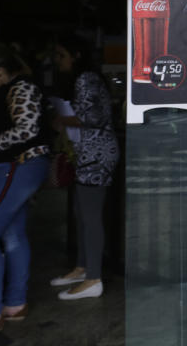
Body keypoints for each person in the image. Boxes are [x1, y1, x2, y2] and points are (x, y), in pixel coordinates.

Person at [0, 43, 51, 334]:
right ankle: (14, 304)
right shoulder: (12, 89)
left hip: (14, 167)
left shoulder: (20, 88)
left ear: (0, 71)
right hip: (15, 168)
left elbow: (26, 131)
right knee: (12, 234)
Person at [47, 34, 120, 301]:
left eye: (61, 55)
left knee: (89, 217)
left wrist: (61, 118)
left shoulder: (85, 79)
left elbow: (92, 117)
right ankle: (83, 268)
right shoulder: (88, 78)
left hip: (95, 154)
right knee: (81, 213)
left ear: (75, 56)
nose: (57, 61)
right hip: (91, 153)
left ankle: (93, 278)